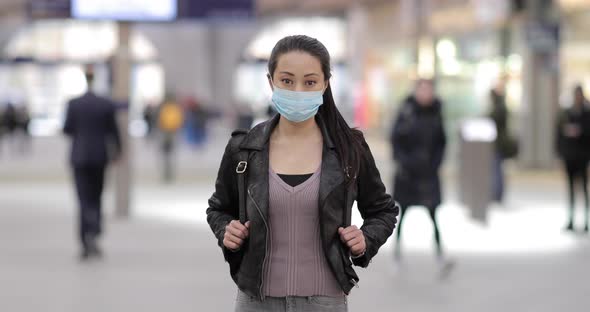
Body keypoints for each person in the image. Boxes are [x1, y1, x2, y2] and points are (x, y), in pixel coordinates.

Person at [206, 35, 399, 311]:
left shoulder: (349, 149)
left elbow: (383, 211)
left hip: (324, 302)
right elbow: (218, 209)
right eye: (287, 80)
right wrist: (226, 229)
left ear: (325, 84)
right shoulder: (244, 149)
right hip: (255, 302)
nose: (298, 90)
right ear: (271, 81)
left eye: (309, 82)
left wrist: (365, 240)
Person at [63, 68, 121, 260]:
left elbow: (67, 129)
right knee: (97, 197)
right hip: (99, 157)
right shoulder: (105, 104)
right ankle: (94, 233)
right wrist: (118, 152)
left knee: (83, 199)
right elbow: (114, 131)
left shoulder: (74, 104)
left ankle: (85, 239)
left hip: (79, 157)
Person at [391, 79, 449, 267]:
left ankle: (440, 253)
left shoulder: (436, 113)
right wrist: (403, 162)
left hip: (428, 173)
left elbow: (442, 141)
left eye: (428, 90)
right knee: (403, 214)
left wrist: (436, 163)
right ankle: (397, 253)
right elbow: (395, 139)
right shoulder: (407, 112)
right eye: (422, 90)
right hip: (408, 174)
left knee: (433, 214)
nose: (425, 94)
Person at [556, 85, 590, 233]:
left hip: (583, 155)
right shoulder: (567, 113)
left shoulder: (587, 113)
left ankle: (586, 220)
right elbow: (559, 133)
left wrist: (580, 131)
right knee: (570, 189)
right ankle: (570, 219)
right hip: (570, 156)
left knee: (583, 188)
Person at [489, 81, 518, 203]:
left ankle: (497, 194)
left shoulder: (500, 106)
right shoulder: (500, 105)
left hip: (499, 143)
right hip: (498, 143)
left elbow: (493, 118)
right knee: (497, 169)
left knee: (497, 169)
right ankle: (497, 193)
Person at [157, 95, 184, 183]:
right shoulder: (170, 109)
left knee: (169, 155)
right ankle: (167, 174)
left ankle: (169, 174)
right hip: (168, 132)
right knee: (167, 155)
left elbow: (178, 120)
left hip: (171, 132)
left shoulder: (171, 109)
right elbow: (161, 120)